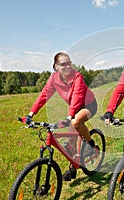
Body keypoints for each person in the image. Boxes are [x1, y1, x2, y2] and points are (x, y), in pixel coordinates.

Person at [25, 52, 97, 181]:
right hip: (74, 108)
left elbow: (77, 96)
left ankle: (91, 144)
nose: (68, 66)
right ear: (56, 66)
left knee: (75, 123)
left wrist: (69, 116)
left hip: (88, 105)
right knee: (71, 143)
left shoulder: (77, 77)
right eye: (64, 64)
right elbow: (44, 94)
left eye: (69, 63)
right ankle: (73, 168)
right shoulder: (54, 79)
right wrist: (31, 114)